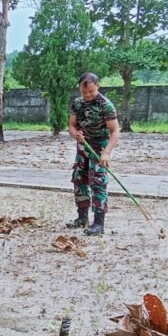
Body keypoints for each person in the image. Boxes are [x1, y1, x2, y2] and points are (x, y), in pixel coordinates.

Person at [67, 72, 120, 236]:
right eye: (84, 92)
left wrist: (106, 153)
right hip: (83, 146)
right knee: (79, 180)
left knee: (98, 182)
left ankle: (98, 223)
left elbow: (115, 131)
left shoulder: (106, 105)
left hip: (99, 147)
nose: (88, 95)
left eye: (91, 91)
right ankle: (82, 218)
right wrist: (75, 134)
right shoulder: (77, 103)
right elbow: (71, 126)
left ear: (98, 86)